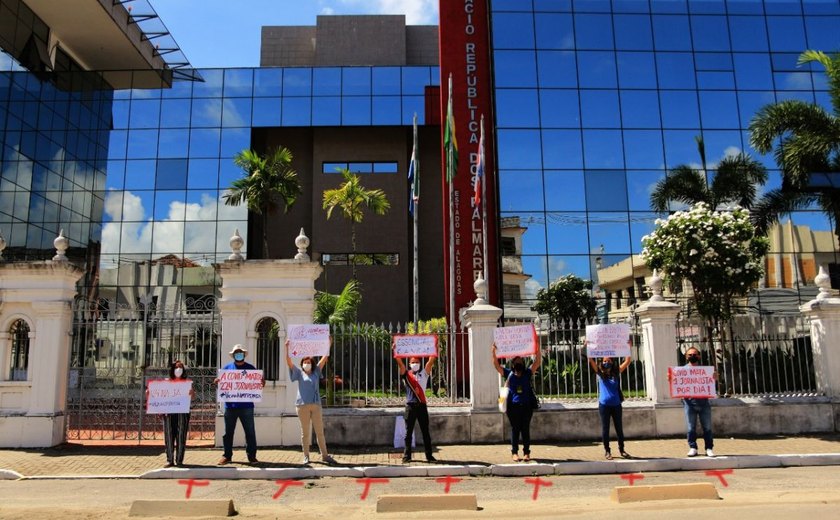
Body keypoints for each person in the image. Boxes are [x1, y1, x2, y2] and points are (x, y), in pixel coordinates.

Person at [285, 339, 336, 465]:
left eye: (308, 362)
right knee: (305, 433)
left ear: (312, 364)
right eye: (305, 362)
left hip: (316, 405)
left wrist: (328, 344)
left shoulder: (316, 372)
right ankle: (306, 456)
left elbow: (324, 358)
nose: (307, 364)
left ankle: (324, 455)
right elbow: (289, 362)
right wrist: (287, 348)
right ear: (302, 364)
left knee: (320, 432)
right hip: (302, 406)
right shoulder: (298, 373)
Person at [215, 344, 265, 465]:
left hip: (247, 407)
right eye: (236, 353)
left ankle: (252, 456)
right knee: (228, 433)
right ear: (233, 355)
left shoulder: (251, 369)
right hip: (230, 407)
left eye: (240, 352)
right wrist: (218, 382)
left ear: (243, 354)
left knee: (250, 432)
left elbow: (259, 385)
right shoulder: (226, 369)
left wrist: (262, 382)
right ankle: (227, 455)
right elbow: (222, 385)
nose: (239, 354)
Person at [492, 344, 541, 462]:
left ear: (523, 364)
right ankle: (514, 453)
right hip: (513, 407)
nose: (519, 364)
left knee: (525, 429)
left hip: (526, 406)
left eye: (521, 362)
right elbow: (497, 366)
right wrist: (493, 352)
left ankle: (526, 453)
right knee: (515, 429)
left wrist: (537, 347)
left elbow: (537, 362)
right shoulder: (508, 373)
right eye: (517, 362)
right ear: (513, 364)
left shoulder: (527, 373)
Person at [393, 340, 438, 463]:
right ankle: (407, 456)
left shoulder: (424, 373)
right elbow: (400, 365)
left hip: (422, 406)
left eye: (417, 362)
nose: (415, 364)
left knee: (425, 432)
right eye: (413, 362)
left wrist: (434, 348)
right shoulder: (406, 374)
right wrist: (395, 351)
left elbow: (431, 361)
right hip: (410, 407)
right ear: (410, 363)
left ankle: (429, 456)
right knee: (408, 433)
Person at [672, 346, 718, 457]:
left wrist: (714, 379)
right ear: (686, 357)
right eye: (690, 355)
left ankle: (709, 448)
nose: (692, 356)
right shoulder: (681, 371)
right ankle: (693, 447)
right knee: (690, 427)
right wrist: (671, 378)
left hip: (704, 403)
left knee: (707, 427)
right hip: (689, 403)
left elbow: (712, 387)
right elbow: (676, 384)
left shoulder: (705, 371)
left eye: (695, 354)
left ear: (699, 356)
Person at [147, 360, 194, 467]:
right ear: (173, 369)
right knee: (169, 435)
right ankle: (170, 460)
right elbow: (158, 396)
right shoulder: (166, 382)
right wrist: (149, 394)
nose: (179, 369)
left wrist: (192, 393)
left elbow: (192, 396)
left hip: (182, 413)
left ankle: (180, 460)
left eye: (181, 367)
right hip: (169, 413)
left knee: (181, 436)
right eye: (177, 367)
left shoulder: (186, 383)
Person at [588, 349, 632, 460]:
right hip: (604, 406)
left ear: (612, 362)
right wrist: (589, 346)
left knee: (619, 429)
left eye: (608, 360)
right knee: (605, 429)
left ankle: (622, 450)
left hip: (616, 405)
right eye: (604, 361)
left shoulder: (616, 372)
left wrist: (628, 347)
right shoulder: (600, 373)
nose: (606, 362)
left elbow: (627, 361)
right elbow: (591, 360)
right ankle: (607, 451)